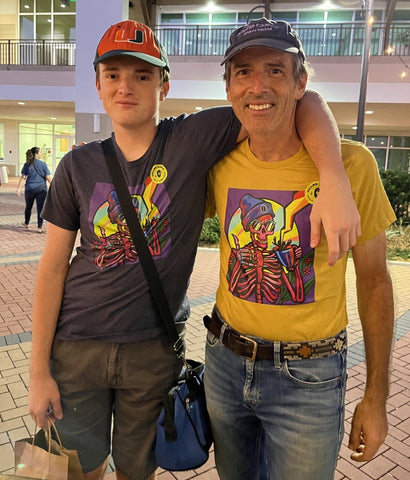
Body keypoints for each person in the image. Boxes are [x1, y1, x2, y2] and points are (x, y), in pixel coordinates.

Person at [28, 20, 360, 480]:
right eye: (113, 74)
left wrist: (333, 174)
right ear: (98, 84)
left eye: (142, 75)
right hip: (75, 347)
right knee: (73, 470)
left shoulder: (192, 140)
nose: (127, 87)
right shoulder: (75, 164)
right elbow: (50, 269)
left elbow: (298, 102)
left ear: (164, 84)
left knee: (137, 470)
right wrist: (38, 369)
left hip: (151, 350)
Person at [203, 18, 396, 480]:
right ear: (229, 86)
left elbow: (375, 282)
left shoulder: (353, 166)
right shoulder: (218, 162)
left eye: (275, 69)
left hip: (308, 379)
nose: (258, 85)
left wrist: (376, 396)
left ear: (300, 83)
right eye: (244, 71)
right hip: (225, 365)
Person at [16, 147, 52, 233]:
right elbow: (48, 177)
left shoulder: (27, 164)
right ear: (36, 154)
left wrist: (18, 189)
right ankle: (39, 228)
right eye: (40, 152)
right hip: (41, 189)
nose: (41, 154)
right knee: (40, 208)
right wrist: (55, 186)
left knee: (28, 206)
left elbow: (23, 177)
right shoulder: (43, 164)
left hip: (30, 189)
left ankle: (26, 223)